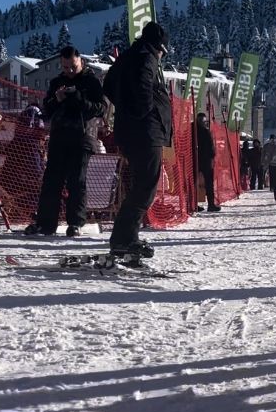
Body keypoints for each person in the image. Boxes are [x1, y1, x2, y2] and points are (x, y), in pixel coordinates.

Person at [102, 21, 172, 259]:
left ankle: (124, 237)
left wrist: (125, 108)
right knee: (146, 186)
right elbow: (143, 84)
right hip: (146, 131)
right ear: (158, 45)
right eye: (163, 50)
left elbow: (108, 85)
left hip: (129, 130)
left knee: (140, 185)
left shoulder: (127, 56)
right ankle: (124, 238)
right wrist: (144, 113)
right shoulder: (147, 56)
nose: (162, 55)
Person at [24, 46, 106, 237]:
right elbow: (47, 110)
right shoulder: (57, 82)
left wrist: (79, 99)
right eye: (65, 67)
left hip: (82, 136)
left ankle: (75, 222)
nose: (69, 71)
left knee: (77, 181)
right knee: (52, 180)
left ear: (81, 62)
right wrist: (57, 99)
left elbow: (100, 108)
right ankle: (46, 223)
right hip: (59, 135)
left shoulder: (91, 82)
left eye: (73, 67)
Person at [194, 112, 220, 212]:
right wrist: (212, 156)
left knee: (193, 183)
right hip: (205, 161)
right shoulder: (205, 131)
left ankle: (193, 204)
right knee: (209, 183)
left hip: (194, 159)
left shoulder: (192, 130)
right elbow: (211, 148)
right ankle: (211, 204)